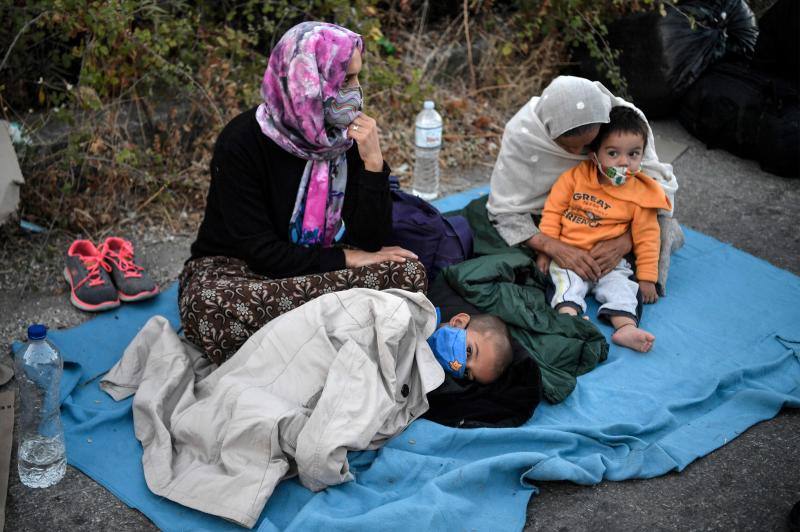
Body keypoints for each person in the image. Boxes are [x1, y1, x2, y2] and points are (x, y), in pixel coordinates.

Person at [179, 22, 424, 364]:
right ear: (307, 84)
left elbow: (372, 240)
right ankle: (335, 330)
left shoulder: (344, 138)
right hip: (239, 270)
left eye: (357, 78)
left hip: (310, 272)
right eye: (345, 81)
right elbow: (262, 253)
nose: (357, 93)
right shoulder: (241, 143)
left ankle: (298, 339)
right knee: (210, 308)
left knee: (409, 274)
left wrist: (373, 162)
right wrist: (347, 259)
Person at [487, 76, 681, 292]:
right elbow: (504, 210)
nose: (578, 156)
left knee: (656, 230)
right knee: (499, 246)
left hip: (621, 215)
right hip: (555, 216)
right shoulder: (524, 135)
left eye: (588, 146)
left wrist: (625, 242)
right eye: (566, 147)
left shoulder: (624, 121)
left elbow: (652, 185)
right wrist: (551, 247)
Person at [536, 107, 671, 352]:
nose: (624, 162)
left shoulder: (641, 193)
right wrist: (547, 251)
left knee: (622, 289)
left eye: (633, 154)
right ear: (594, 154)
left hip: (610, 264)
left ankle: (626, 328)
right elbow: (552, 213)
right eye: (613, 153)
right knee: (565, 286)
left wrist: (648, 278)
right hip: (570, 256)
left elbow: (648, 238)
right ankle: (571, 319)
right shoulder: (574, 178)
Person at [427, 310, 513, 384]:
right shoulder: (422, 312)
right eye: (469, 351)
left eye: (466, 372)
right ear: (458, 322)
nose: (460, 365)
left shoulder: (427, 380)